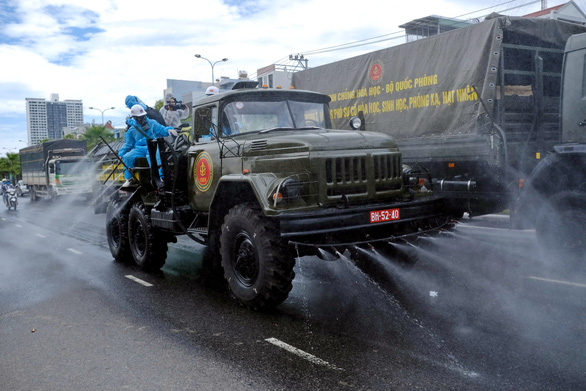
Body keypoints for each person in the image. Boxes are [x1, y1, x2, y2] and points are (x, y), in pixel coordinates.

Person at [119, 104, 177, 187]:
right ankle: (129, 178)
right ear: (134, 118)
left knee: (152, 157)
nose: (141, 118)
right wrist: (121, 153)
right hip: (139, 148)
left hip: (152, 146)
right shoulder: (132, 129)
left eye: (142, 116)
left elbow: (161, 129)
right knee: (127, 157)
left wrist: (169, 130)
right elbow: (128, 143)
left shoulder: (152, 123)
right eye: (138, 117)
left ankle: (159, 177)